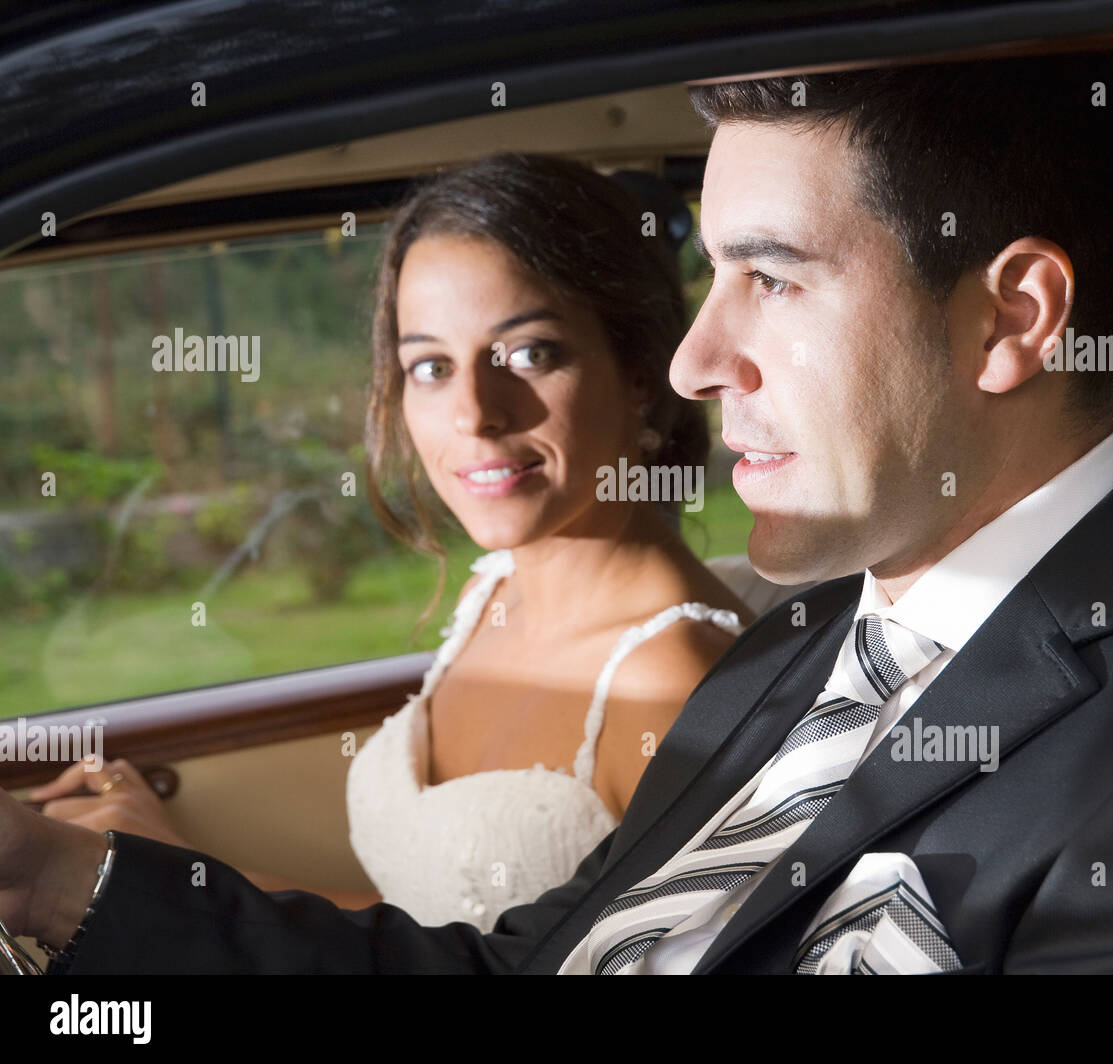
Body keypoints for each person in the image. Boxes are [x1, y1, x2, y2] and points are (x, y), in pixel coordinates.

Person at [4, 48, 1113, 974]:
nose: (692, 361)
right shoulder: (801, 644)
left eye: (772, 280)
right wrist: (55, 878)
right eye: (707, 271)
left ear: (1013, 319)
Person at [19, 153, 754, 932]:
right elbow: (414, 932)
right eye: (431, 367)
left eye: (531, 352)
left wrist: (161, 889)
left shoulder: (674, 682)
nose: (475, 414)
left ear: (640, 371)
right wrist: (170, 860)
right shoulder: (492, 592)